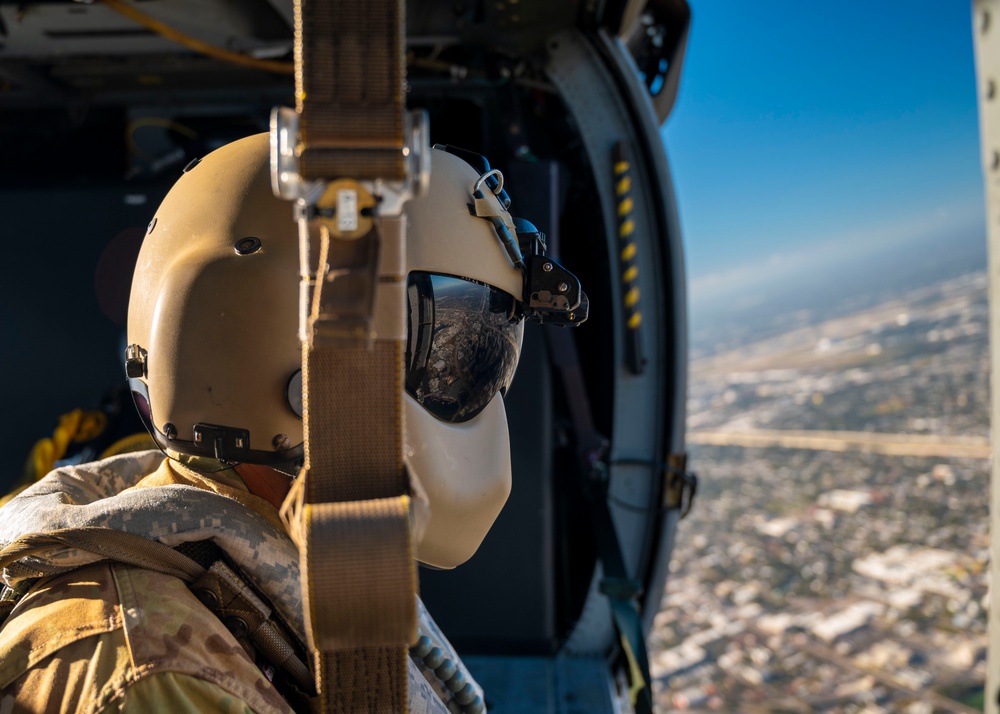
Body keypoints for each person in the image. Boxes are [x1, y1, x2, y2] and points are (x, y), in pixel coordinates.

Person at [0, 132, 584, 712]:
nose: (482, 398)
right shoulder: (157, 674)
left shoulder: (289, 564)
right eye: (455, 363)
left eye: (489, 359)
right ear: (285, 354)